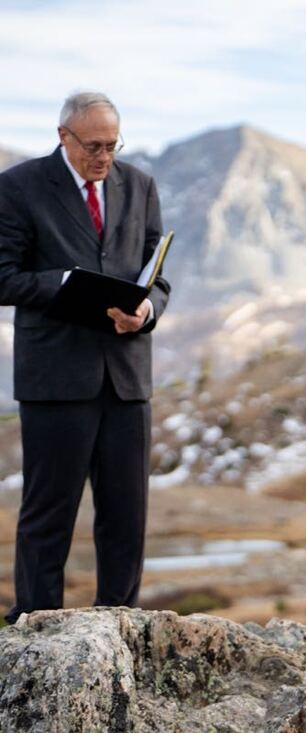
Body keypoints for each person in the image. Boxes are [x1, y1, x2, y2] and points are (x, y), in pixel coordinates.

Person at [0, 92, 170, 625]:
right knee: (48, 515)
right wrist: (67, 285)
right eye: (93, 146)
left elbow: (157, 275)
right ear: (63, 136)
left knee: (126, 516)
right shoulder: (19, 186)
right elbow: (3, 277)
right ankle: (34, 627)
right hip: (56, 377)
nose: (104, 157)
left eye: (112, 146)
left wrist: (146, 311)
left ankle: (120, 626)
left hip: (127, 377)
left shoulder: (139, 185)